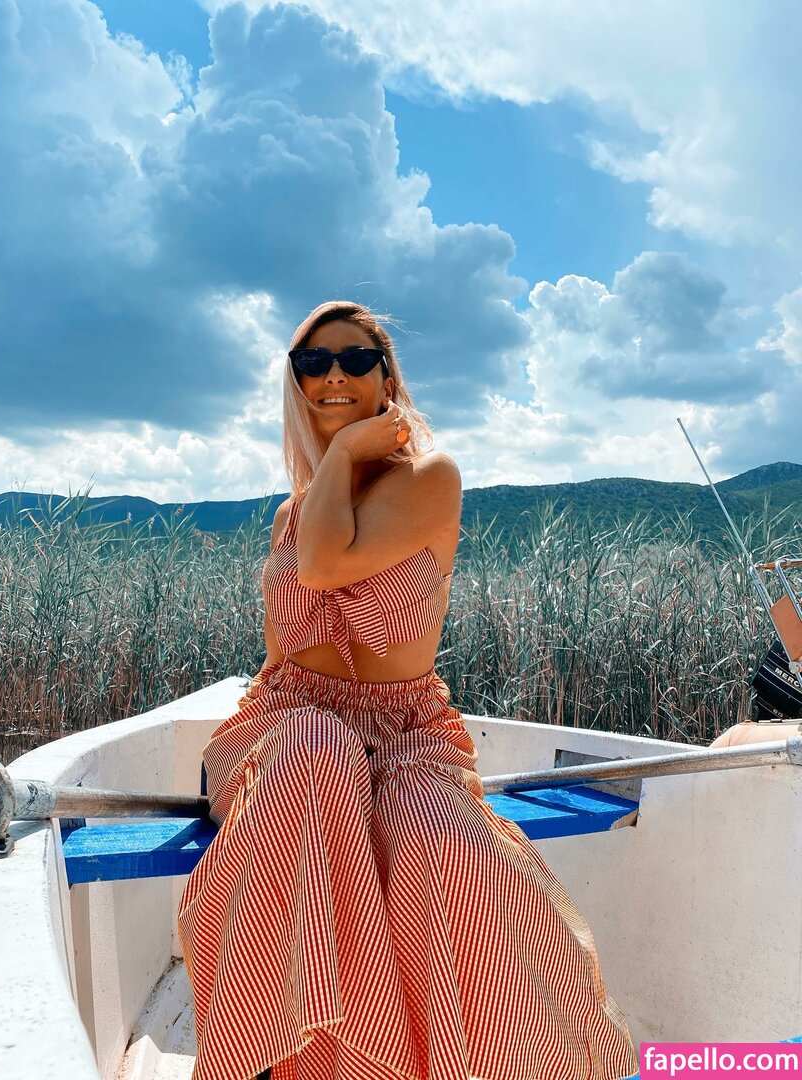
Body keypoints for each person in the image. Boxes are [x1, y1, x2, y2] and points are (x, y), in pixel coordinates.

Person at [177, 301, 639, 1080]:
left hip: (404, 731)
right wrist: (338, 458)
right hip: (287, 722)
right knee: (317, 751)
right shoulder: (294, 514)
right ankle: (262, 1056)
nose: (333, 375)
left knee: (444, 848)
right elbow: (284, 639)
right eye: (313, 363)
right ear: (296, 383)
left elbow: (327, 563)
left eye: (355, 360)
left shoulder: (430, 478)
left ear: (387, 378)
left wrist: (345, 449)